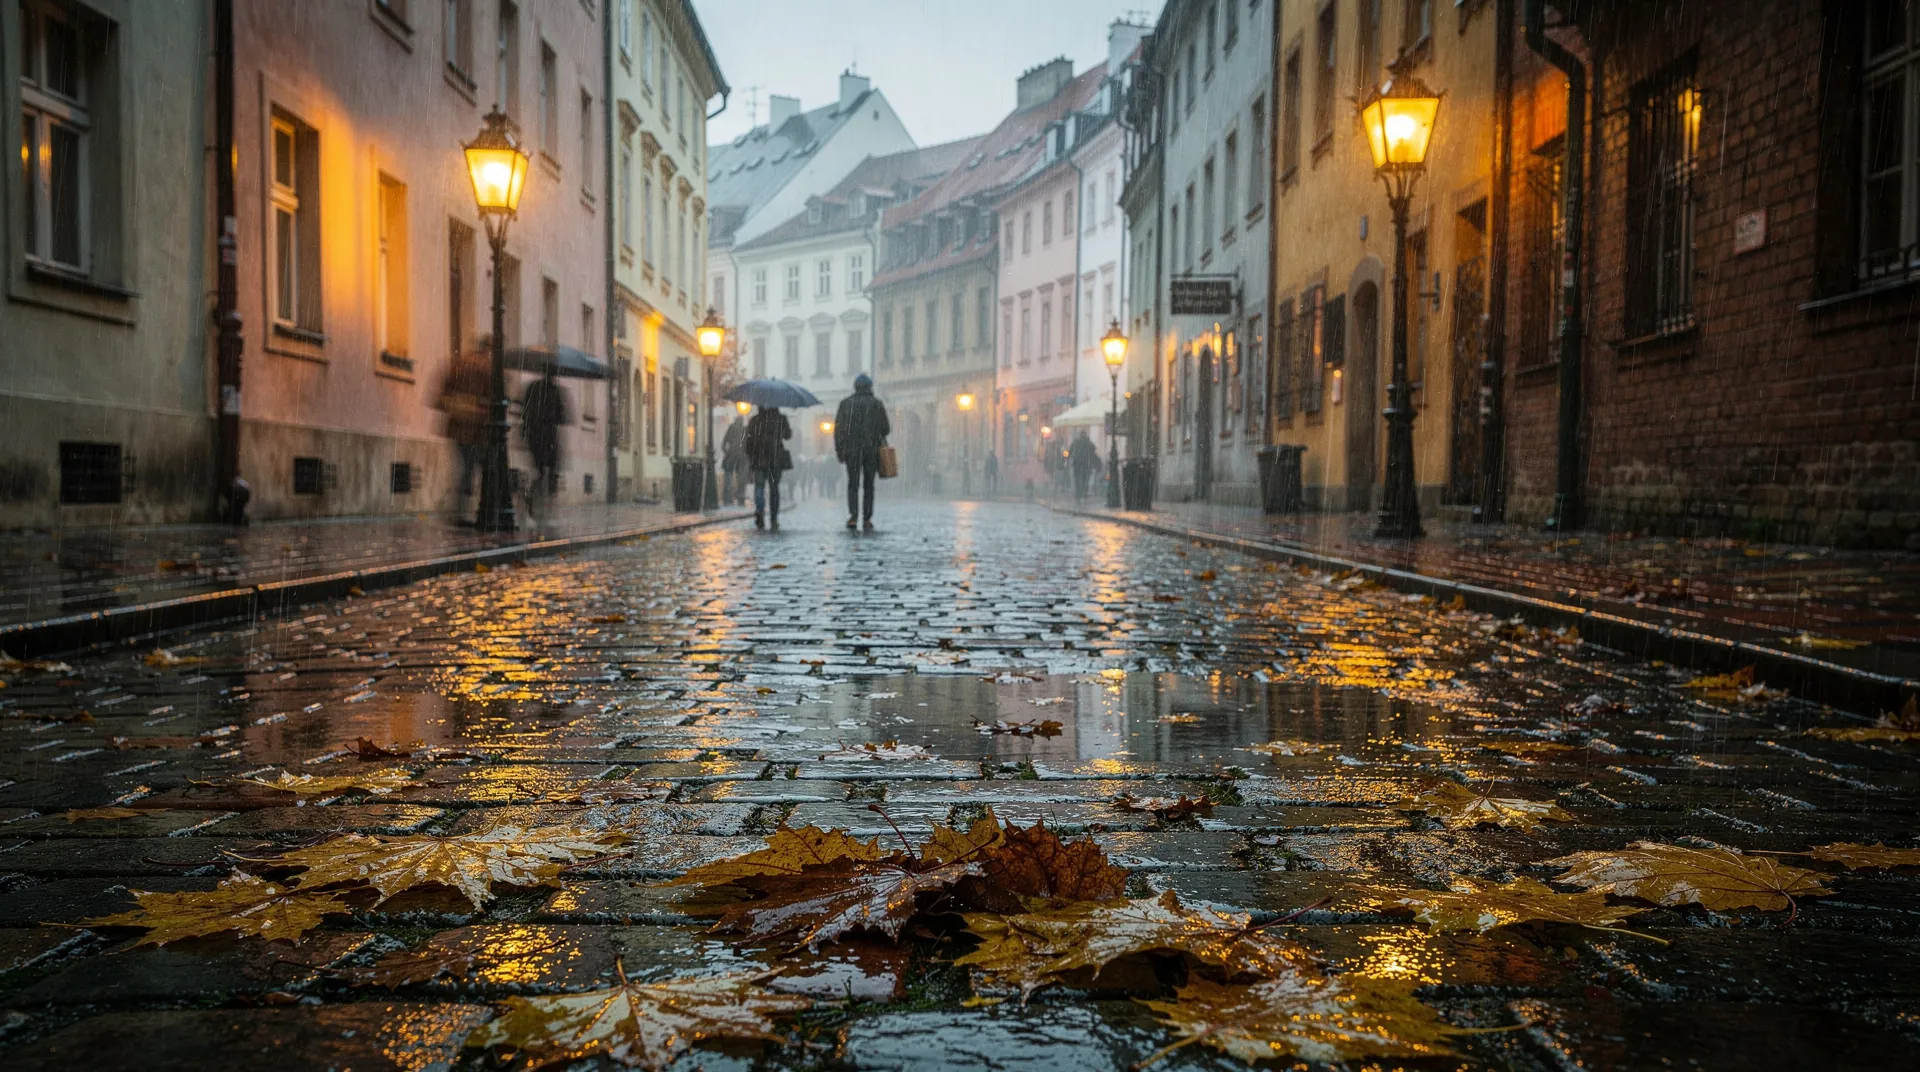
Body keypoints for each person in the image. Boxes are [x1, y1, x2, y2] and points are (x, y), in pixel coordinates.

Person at [435, 341, 492, 517]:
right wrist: (476, 407)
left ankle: (459, 507)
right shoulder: (487, 370)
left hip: (457, 428)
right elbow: (492, 401)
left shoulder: (459, 366)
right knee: (477, 469)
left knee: (466, 467)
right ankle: (465, 509)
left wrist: (460, 405)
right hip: (475, 431)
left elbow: (441, 398)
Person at [834, 373, 891, 531]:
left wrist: (840, 450)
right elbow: (886, 429)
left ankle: (853, 516)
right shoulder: (877, 404)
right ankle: (867, 518)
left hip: (851, 451)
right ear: (870, 387)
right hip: (871, 451)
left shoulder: (846, 404)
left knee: (852, 484)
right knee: (869, 485)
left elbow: (838, 431)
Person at [520, 361, 569, 507]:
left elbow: (525, 411)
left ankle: (534, 496)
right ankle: (545, 500)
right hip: (547, 436)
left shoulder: (533, 387)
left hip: (534, 435)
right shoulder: (554, 391)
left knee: (540, 469)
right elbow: (562, 416)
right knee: (552, 469)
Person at [743, 404, 791, 530]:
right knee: (774, 489)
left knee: (759, 486)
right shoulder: (780, 419)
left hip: (759, 459)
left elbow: (748, 442)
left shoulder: (755, 420)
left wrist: (751, 457)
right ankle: (774, 519)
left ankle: (760, 511)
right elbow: (788, 435)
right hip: (775, 459)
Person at [1069, 429, 1101, 503]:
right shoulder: (1089, 443)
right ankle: (1084, 493)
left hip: (1077, 464)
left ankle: (1078, 495)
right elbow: (1093, 452)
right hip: (1086, 464)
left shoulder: (1075, 442)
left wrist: (1069, 459)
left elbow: (1070, 452)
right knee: (1085, 480)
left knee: (1077, 479)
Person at [721, 414, 747, 505]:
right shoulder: (744, 429)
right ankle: (740, 497)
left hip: (731, 456)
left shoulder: (731, 428)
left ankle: (727, 498)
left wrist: (726, 451)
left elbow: (724, 442)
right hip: (741, 457)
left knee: (728, 478)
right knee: (741, 478)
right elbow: (748, 444)